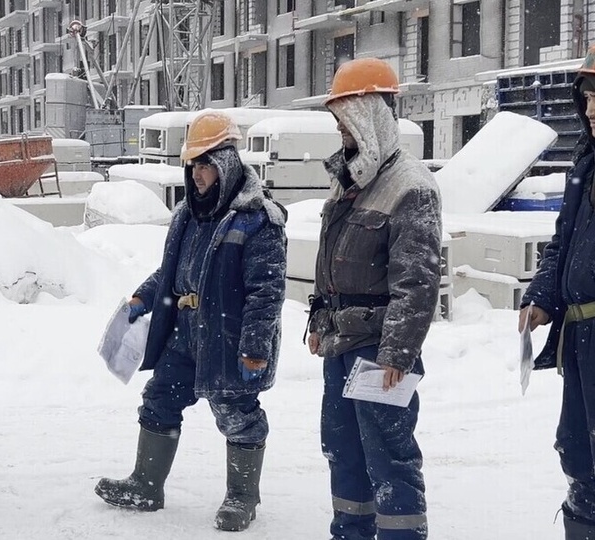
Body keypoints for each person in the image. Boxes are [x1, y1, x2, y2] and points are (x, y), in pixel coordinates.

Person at [94, 110, 287, 532]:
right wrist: (144, 295)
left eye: (205, 165)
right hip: (185, 332)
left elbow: (266, 292)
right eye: (193, 165)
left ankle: (242, 497)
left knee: (237, 412)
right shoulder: (187, 213)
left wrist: (255, 347)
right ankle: (146, 485)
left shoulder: (258, 219)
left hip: (228, 336)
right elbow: (172, 268)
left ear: (227, 162)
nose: (197, 175)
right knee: (160, 397)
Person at [304, 58, 441, 540]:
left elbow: (418, 283)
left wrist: (397, 354)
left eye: (347, 116)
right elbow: (330, 266)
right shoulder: (348, 182)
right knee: (342, 449)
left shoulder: (412, 187)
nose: (340, 127)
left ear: (373, 113)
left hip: (379, 352)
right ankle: (351, 532)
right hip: (343, 345)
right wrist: (319, 317)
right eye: (337, 119)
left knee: (387, 454)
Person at [520, 43, 595, 540]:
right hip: (582, 332)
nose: (590, 111)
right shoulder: (586, 164)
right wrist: (544, 296)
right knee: (577, 450)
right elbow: (563, 240)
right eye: (586, 98)